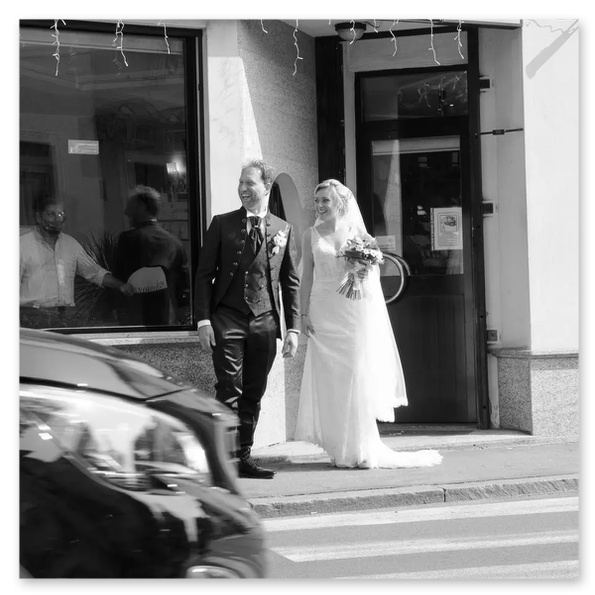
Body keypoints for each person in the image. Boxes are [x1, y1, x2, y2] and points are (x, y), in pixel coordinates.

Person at [294, 179, 443, 469]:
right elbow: (307, 277)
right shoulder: (309, 234)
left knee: (355, 375)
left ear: (339, 203)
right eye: (317, 201)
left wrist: (363, 269)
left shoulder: (356, 233)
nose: (320, 206)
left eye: (325, 200)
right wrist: (302, 314)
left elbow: (372, 270)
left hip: (351, 311)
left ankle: (360, 446)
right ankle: (339, 446)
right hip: (323, 312)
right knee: (330, 380)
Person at [194, 159, 301, 479]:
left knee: (253, 391)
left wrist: (293, 328)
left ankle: (243, 456)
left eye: (249, 183)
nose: (242, 188)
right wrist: (203, 321)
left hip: (265, 321)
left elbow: (290, 282)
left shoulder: (283, 229)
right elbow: (203, 275)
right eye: (240, 182)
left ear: (266, 187)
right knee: (229, 388)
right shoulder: (221, 224)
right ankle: (223, 459)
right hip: (226, 318)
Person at [19, 196, 134, 329]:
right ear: (38, 217)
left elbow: (94, 272)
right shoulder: (23, 245)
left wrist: (120, 285)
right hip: (30, 317)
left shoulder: (70, 244)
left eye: (60, 214)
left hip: (61, 316)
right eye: (51, 214)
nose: (56, 219)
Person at [114, 185, 189, 326]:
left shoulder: (127, 240)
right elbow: (182, 289)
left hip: (133, 323)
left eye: (131, 207)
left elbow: (118, 281)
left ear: (142, 208)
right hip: (167, 323)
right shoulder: (175, 243)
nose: (126, 212)